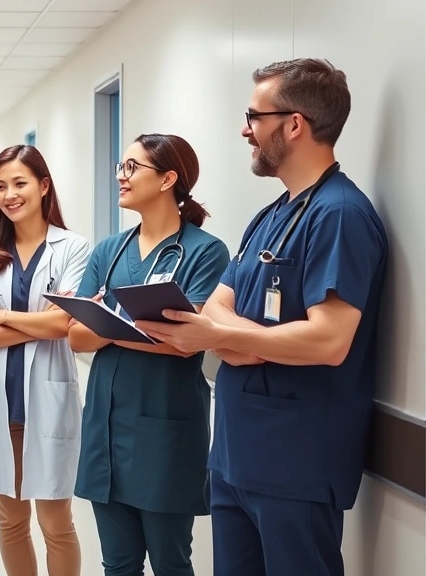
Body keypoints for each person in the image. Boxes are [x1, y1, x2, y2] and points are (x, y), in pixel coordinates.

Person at [134, 59, 388, 576]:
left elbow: (329, 340)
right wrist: (241, 337)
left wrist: (222, 336)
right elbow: (214, 308)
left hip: (296, 463)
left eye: (254, 116)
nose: (243, 129)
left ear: (294, 124)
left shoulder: (339, 215)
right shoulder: (271, 216)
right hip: (236, 456)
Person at [68, 134, 230, 576]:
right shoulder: (109, 249)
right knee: (118, 565)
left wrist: (106, 320)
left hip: (165, 430)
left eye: (132, 167)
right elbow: (75, 337)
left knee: (170, 563)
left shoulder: (204, 251)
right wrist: (132, 328)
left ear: (167, 179)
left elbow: (182, 342)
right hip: (106, 427)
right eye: (121, 167)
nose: (122, 176)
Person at [0, 144, 90, 576]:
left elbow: (63, 327)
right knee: (12, 522)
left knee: (56, 523)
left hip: (50, 401)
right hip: (3, 403)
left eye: (19, 183)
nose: (9, 194)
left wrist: (6, 317)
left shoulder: (73, 247)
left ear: (44, 186)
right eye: (0, 186)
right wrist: (40, 321)